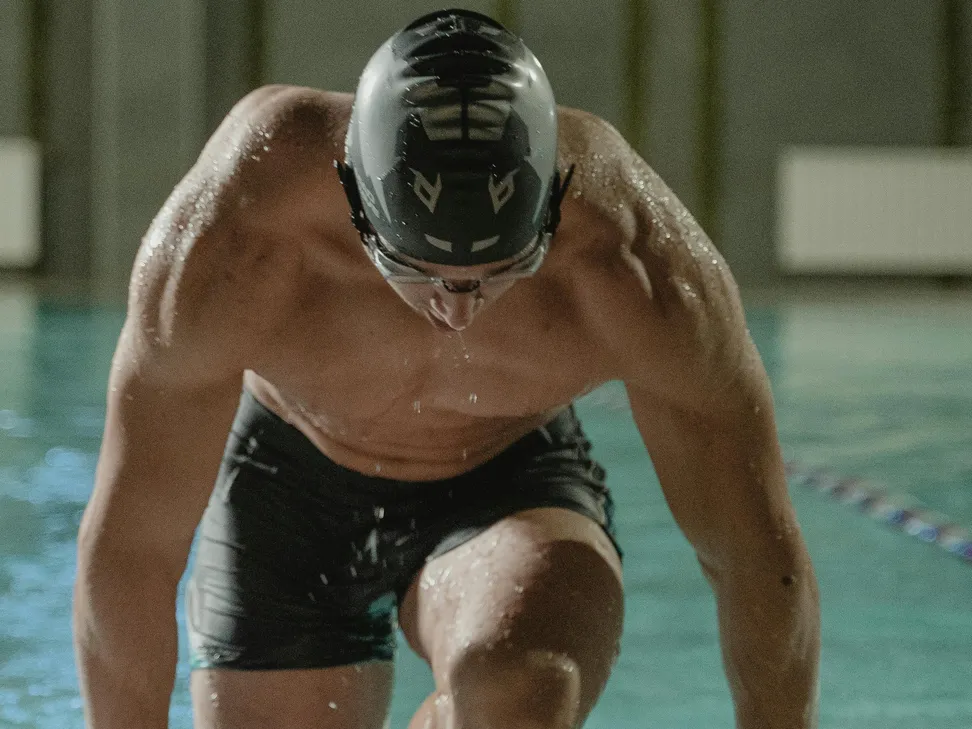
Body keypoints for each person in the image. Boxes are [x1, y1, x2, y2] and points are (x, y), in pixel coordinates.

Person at [73, 8, 820, 729]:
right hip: (285, 488)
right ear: (355, 203)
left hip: (508, 480)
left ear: (554, 209)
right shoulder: (234, 238)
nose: (458, 311)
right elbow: (132, 549)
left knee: (523, 699)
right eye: (417, 273)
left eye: (502, 272)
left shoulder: (636, 268)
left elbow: (754, 556)